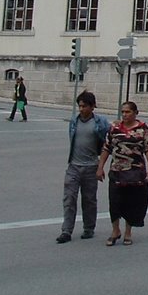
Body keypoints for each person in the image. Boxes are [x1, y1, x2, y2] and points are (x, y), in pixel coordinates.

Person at [97, 101, 148, 246]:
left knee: (131, 203)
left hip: (135, 172)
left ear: (136, 113)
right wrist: (100, 167)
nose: (124, 115)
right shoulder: (114, 128)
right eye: (123, 112)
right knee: (115, 202)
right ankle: (115, 230)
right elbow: (106, 148)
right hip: (117, 172)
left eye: (128, 112)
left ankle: (128, 232)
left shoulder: (143, 129)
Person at [57, 91, 111, 243]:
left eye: (85, 106)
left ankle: (89, 228)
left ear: (93, 107)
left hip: (91, 166)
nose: (81, 109)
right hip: (73, 166)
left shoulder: (100, 122)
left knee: (89, 200)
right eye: (80, 106)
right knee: (69, 198)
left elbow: (110, 141)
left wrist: (101, 167)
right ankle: (66, 231)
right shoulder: (74, 121)